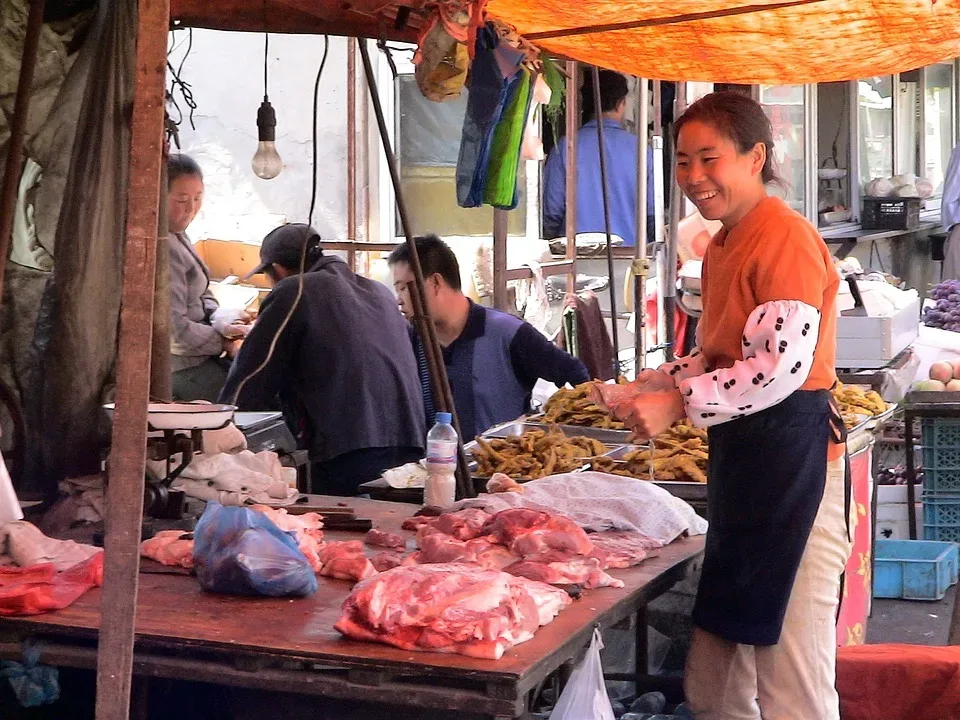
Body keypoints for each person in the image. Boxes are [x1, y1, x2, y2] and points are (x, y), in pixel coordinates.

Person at [601, 92, 850, 719]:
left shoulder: (785, 239)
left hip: (798, 474)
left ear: (755, 157)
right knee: (715, 680)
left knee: (793, 683)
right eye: (683, 162)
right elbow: (724, 357)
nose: (694, 178)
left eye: (708, 159)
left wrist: (677, 404)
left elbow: (778, 369)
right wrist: (657, 381)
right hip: (747, 472)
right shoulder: (721, 245)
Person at [219, 224, 425, 496]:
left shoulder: (293, 290)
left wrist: (217, 431)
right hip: (411, 444)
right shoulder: (380, 292)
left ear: (278, 270)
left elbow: (251, 378)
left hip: (347, 452)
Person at [388, 235, 590, 440]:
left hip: (503, 465)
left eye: (404, 288)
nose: (399, 300)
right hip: (431, 467)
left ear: (436, 282)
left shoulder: (507, 333)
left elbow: (577, 376)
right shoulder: (408, 341)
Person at [167, 154, 248, 401]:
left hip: (202, 353)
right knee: (247, 400)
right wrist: (221, 340)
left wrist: (220, 317)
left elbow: (202, 292)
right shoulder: (161, 246)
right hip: (179, 366)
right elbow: (174, 331)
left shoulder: (179, 235)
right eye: (181, 199)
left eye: (198, 198)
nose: (191, 208)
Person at [542, 70, 655, 246]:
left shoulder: (565, 147)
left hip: (574, 260)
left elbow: (551, 212)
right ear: (621, 104)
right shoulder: (641, 150)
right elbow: (652, 214)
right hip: (629, 258)